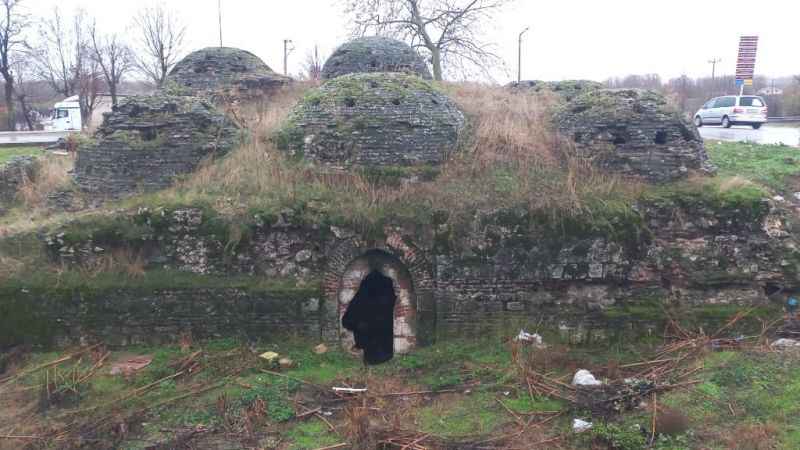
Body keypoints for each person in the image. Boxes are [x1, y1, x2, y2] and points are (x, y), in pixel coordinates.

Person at [342, 271, 396, 365]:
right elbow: (347, 321)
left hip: (376, 342)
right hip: (378, 343)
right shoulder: (384, 296)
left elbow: (347, 321)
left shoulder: (362, 298)